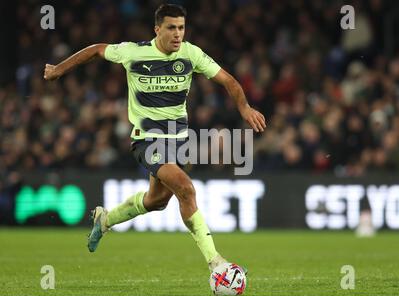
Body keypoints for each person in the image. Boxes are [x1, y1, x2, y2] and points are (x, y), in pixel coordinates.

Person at [44, 4, 266, 271]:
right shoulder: (134, 52)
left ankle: (105, 220)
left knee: (156, 201)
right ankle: (216, 263)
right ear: (157, 29)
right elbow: (96, 50)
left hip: (178, 140)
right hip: (147, 140)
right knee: (186, 188)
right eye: (171, 28)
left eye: (181, 28)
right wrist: (59, 69)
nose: (177, 34)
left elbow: (229, 81)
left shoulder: (190, 53)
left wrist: (244, 107)